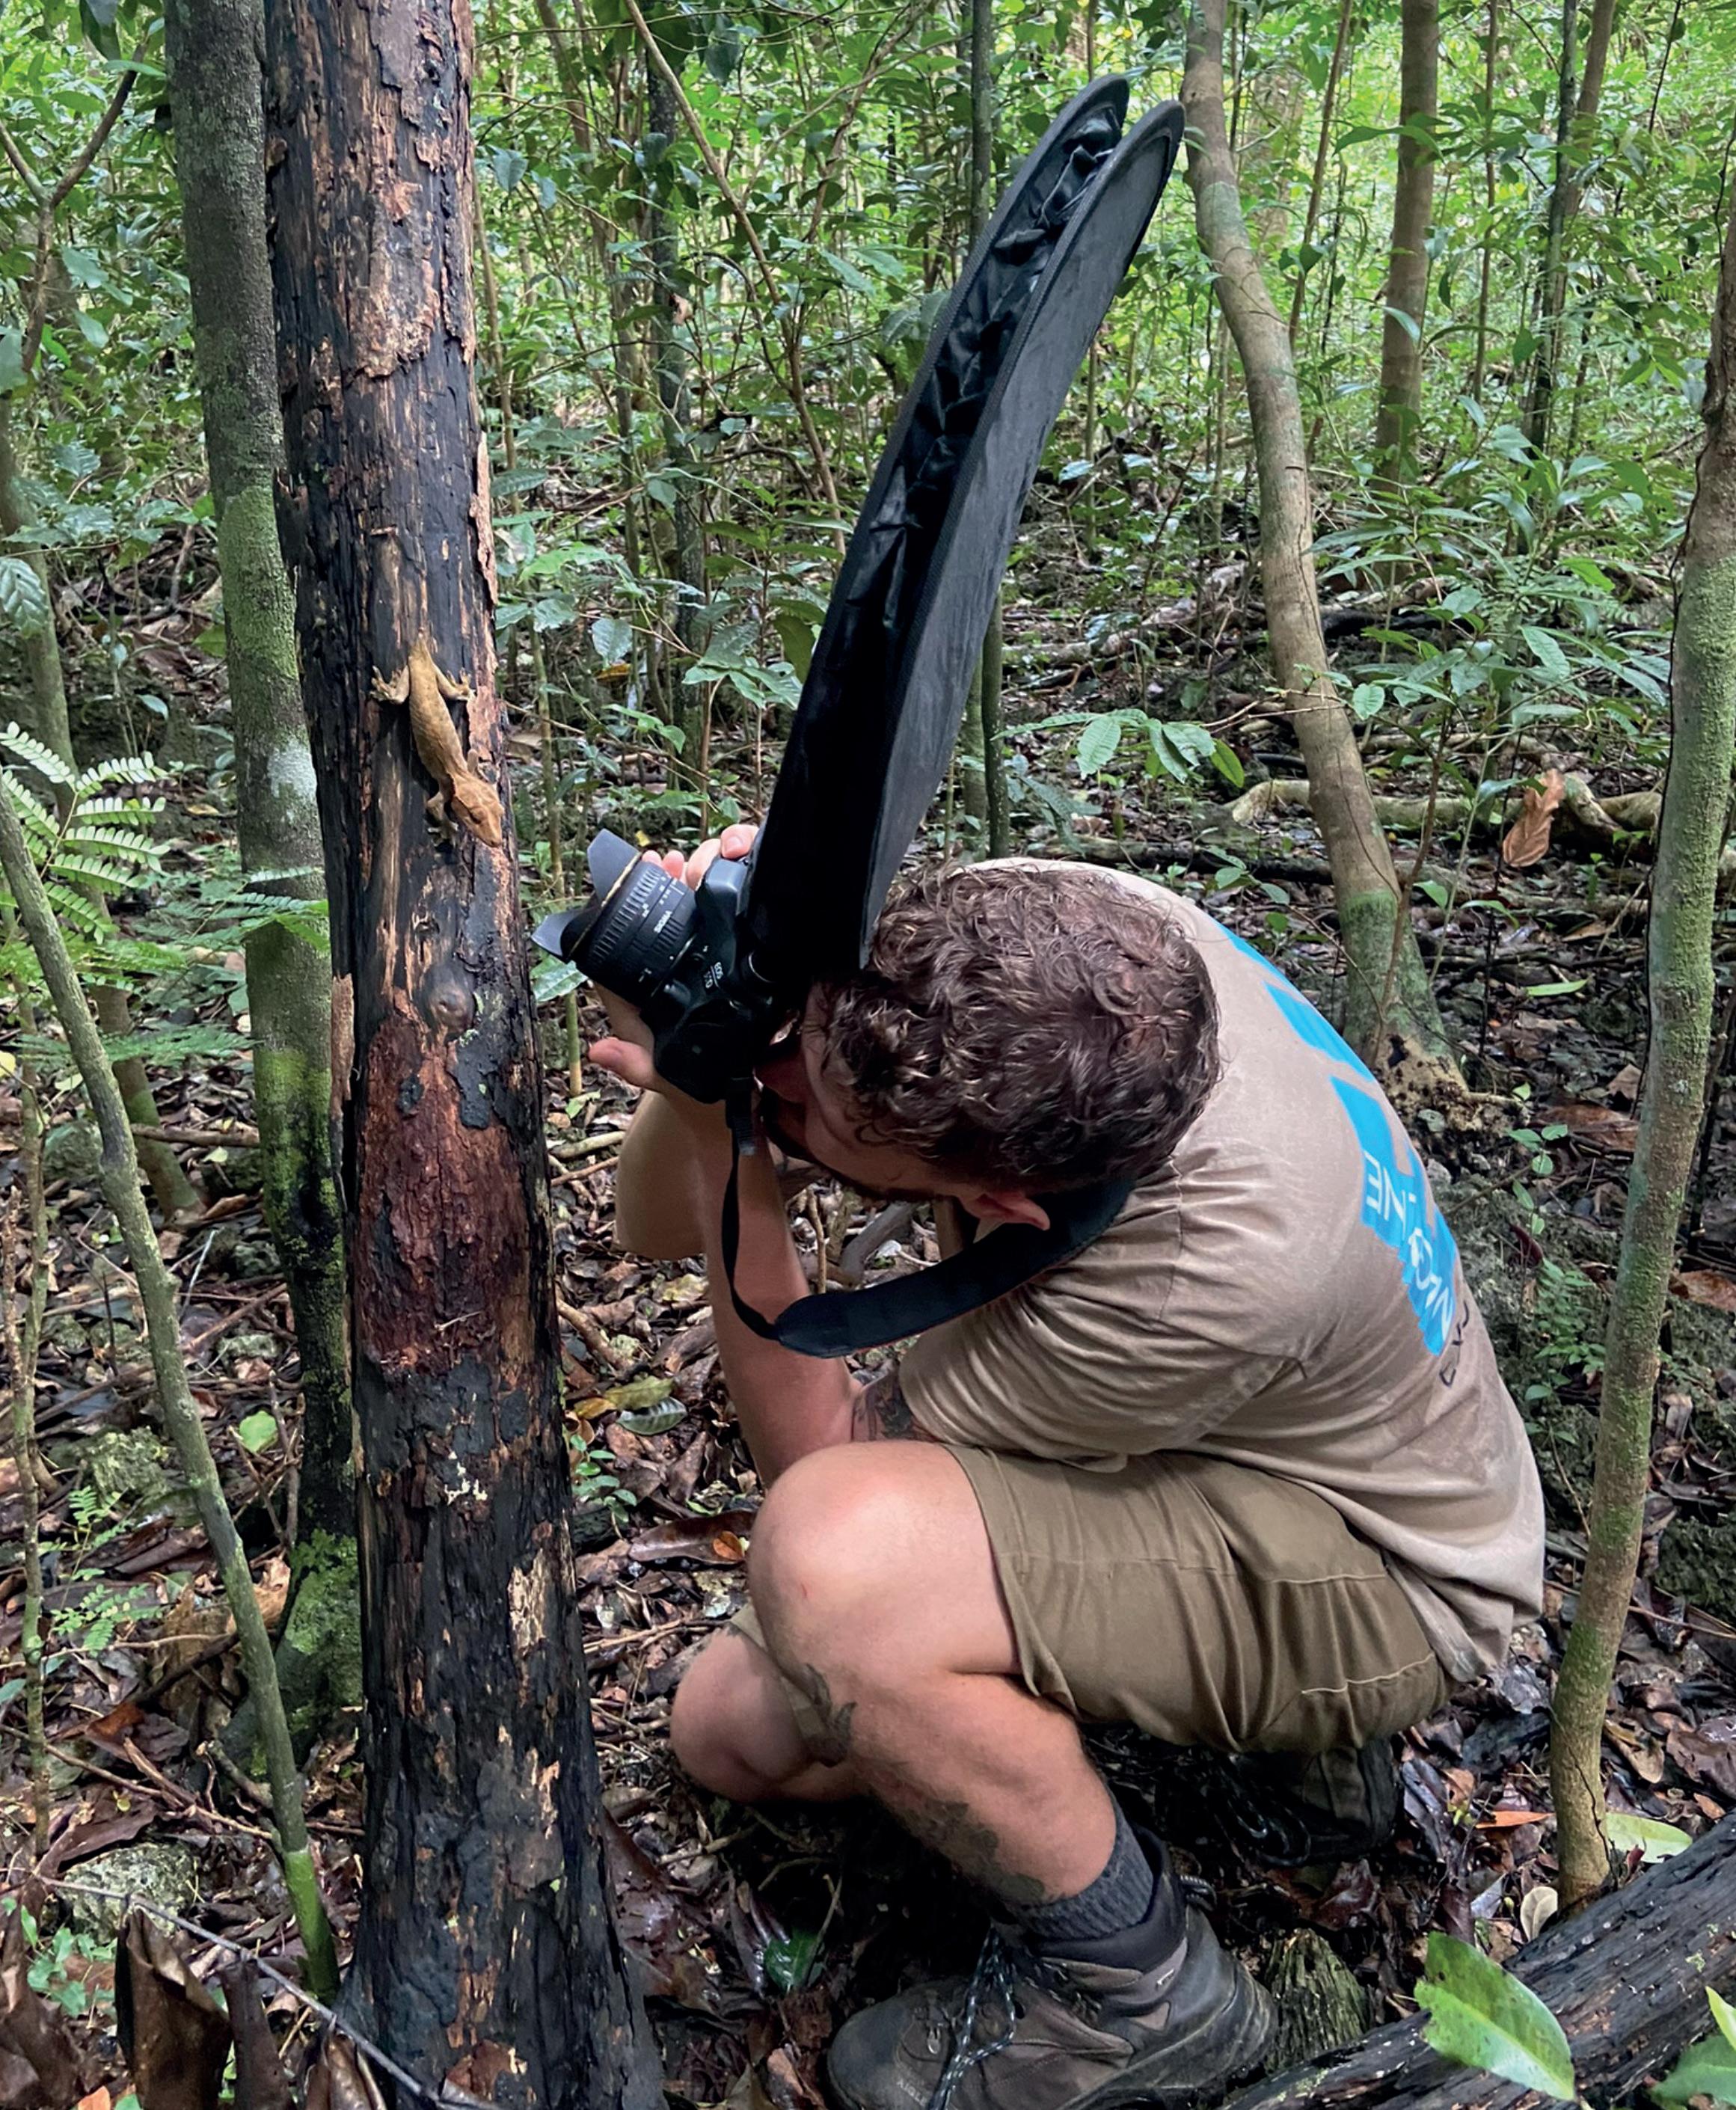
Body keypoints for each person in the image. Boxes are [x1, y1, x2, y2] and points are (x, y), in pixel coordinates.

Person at [590, 826, 1545, 2110]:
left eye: (808, 1109)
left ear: (1006, 1206)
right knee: (732, 1727)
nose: (782, 1088)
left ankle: (1141, 1990)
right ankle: (1227, 1763)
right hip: (1264, 1439)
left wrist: (729, 1142)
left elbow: (821, 1468)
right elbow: (653, 1227)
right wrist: (742, 982)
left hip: (1386, 1570)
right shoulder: (1056, 936)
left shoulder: (1196, 1274)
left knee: (829, 1571)